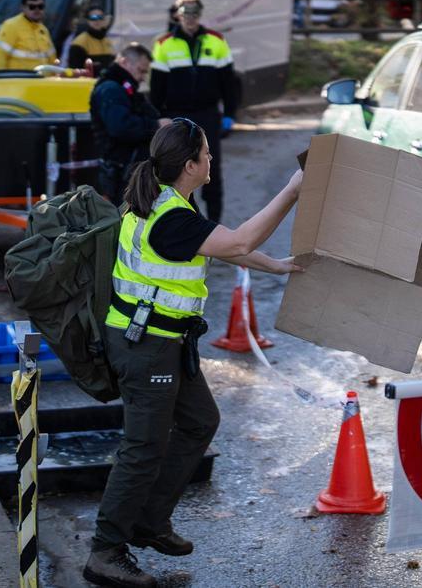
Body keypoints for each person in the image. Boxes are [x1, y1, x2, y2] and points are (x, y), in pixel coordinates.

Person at [83, 119, 303, 587]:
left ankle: (150, 521)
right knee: (143, 447)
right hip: (146, 348)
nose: (212, 160)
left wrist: (276, 266)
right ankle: (105, 550)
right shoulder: (171, 217)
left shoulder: (167, 202)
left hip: (165, 342)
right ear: (190, 165)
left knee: (201, 422)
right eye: (206, 153)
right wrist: (291, 191)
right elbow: (239, 240)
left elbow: (226, 249)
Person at [151, 0, 240, 224]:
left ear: (200, 15)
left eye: (194, 14)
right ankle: (184, 222)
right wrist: (159, 116)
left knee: (211, 170)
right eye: (185, 14)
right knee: (179, 170)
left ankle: (213, 226)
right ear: (177, 15)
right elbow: (157, 86)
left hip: (208, 114)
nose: (190, 18)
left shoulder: (216, 40)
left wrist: (230, 114)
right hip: (177, 115)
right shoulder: (164, 44)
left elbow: (229, 83)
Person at [90, 43, 170, 202]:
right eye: (141, 71)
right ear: (124, 62)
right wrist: (156, 126)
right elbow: (120, 127)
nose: (142, 77)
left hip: (128, 169)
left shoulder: (125, 88)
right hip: (120, 173)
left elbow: (148, 113)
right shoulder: (111, 89)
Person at [0, 0, 58, 71]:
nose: (37, 10)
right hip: (19, 81)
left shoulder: (43, 30)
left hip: (41, 82)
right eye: (32, 7)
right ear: (23, 7)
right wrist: (1, 81)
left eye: (40, 6)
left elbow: (52, 60)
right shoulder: (11, 26)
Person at [68, 4, 117, 70]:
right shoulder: (79, 43)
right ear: (88, 20)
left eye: (100, 17)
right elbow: (75, 71)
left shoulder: (108, 42)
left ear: (104, 20)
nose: (97, 21)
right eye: (93, 17)